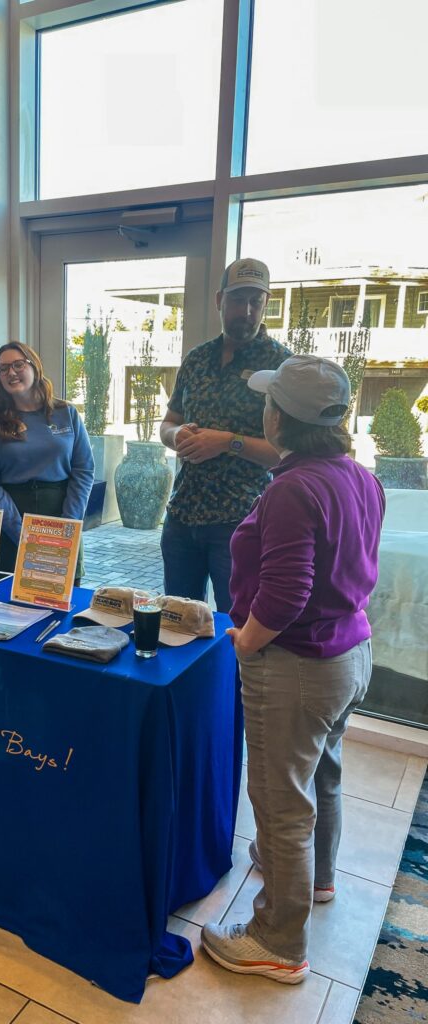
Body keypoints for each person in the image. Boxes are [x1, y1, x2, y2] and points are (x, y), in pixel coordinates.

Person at [201, 355, 385, 984]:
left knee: (280, 801)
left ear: (281, 417)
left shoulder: (291, 489)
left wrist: (246, 641)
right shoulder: (359, 476)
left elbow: (285, 593)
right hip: (350, 654)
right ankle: (318, 878)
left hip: (300, 663)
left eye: (269, 401)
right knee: (321, 775)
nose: (263, 408)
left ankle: (277, 941)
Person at [159, 258, 291, 610]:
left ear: (266, 303)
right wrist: (177, 436)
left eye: (255, 302)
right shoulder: (196, 359)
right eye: (237, 300)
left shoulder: (282, 366)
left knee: (238, 629)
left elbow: (287, 454)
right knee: (177, 624)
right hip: (182, 515)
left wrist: (228, 442)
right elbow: (168, 422)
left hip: (240, 523)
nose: (246, 311)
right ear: (219, 300)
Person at [0, 342, 95, 579]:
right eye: (3, 368)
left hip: (62, 513)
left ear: (34, 366)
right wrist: (21, 533)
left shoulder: (66, 412)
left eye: (18, 364)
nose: (11, 373)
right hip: (11, 522)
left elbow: (84, 470)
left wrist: (67, 526)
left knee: (63, 601)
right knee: (11, 608)